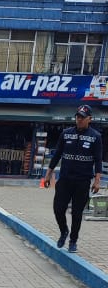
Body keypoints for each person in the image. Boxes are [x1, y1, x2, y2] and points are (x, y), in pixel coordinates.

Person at [44, 105, 103, 253]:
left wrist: (97, 181)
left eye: (82, 117)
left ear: (89, 119)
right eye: (78, 117)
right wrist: (48, 174)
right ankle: (64, 231)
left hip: (82, 181)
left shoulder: (95, 136)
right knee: (58, 209)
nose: (79, 119)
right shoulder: (66, 134)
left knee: (77, 213)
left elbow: (98, 160)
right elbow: (57, 155)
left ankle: (73, 241)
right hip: (65, 179)